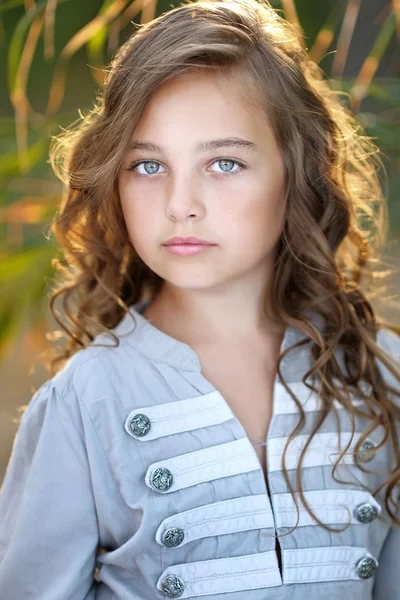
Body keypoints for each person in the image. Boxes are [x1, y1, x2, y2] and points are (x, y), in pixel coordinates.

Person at [0, 0, 399, 598]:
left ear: (298, 169)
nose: (180, 203)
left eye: (224, 162)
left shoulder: (378, 375)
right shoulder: (87, 402)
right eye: (149, 165)